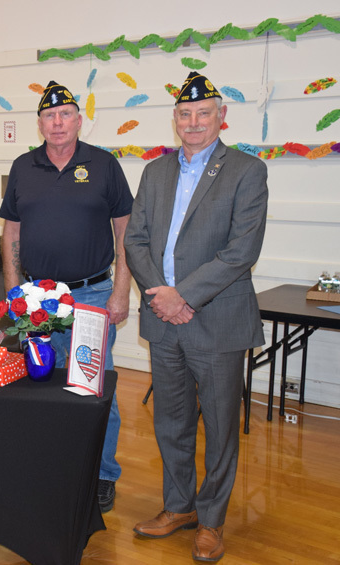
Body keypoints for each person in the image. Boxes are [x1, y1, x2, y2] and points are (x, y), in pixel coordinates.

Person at [124, 72, 268, 562]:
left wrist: (182, 295)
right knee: (171, 421)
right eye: (184, 114)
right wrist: (160, 297)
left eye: (203, 113)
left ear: (221, 117)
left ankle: (212, 520)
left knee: (221, 428)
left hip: (217, 321)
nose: (193, 122)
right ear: (175, 120)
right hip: (162, 321)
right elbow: (135, 241)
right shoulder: (155, 173)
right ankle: (179, 506)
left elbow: (240, 252)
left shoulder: (247, 171)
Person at [0, 81, 133, 513]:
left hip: (92, 293)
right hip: (37, 298)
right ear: (39, 124)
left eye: (65, 115)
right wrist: (13, 289)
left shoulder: (104, 164)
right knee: (44, 385)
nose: (57, 123)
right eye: (49, 117)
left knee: (94, 386)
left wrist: (121, 290)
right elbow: (11, 231)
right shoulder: (23, 166)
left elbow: (125, 230)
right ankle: (55, 467)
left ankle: (102, 473)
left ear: (78, 120)